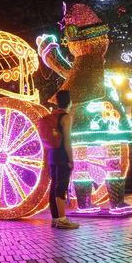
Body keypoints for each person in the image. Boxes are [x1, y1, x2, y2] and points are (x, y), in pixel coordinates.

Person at [47, 90, 79, 229]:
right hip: (62, 156)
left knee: (54, 186)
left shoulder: (52, 115)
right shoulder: (66, 117)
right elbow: (67, 140)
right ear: (69, 101)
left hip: (52, 155)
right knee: (61, 187)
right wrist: (71, 159)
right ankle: (63, 219)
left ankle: (55, 219)